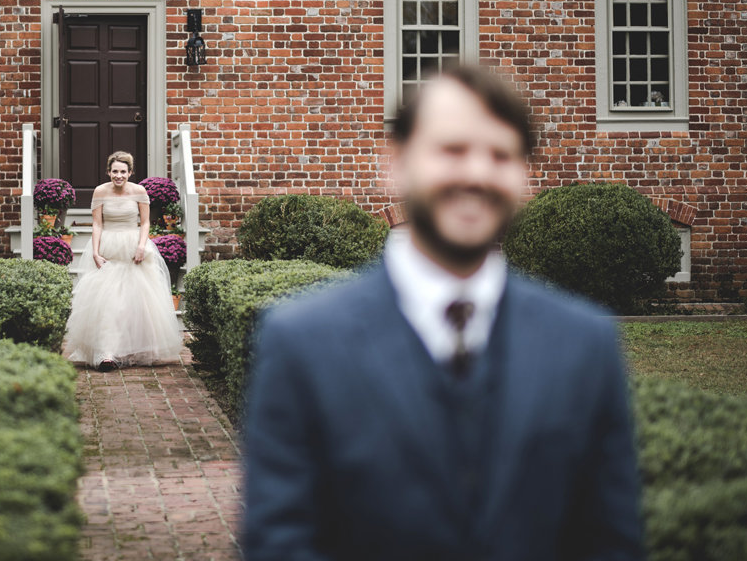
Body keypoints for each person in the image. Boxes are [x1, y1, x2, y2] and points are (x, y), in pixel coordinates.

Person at [241, 64, 645, 561]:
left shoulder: (585, 343)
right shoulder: (301, 340)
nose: (476, 173)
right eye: (452, 150)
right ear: (397, 162)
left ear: (524, 175)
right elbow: (280, 541)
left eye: (499, 154)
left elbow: (609, 540)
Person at [62, 150, 185, 371]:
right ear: (108, 172)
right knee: (108, 302)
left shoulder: (139, 191)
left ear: (130, 172)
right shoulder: (100, 191)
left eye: (123, 172)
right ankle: (105, 353)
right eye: (115, 171)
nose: (119, 176)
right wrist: (95, 252)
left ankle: (139, 349)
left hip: (133, 246)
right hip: (108, 247)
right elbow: (97, 224)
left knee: (136, 302)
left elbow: (146, 222)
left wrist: (141, 245)